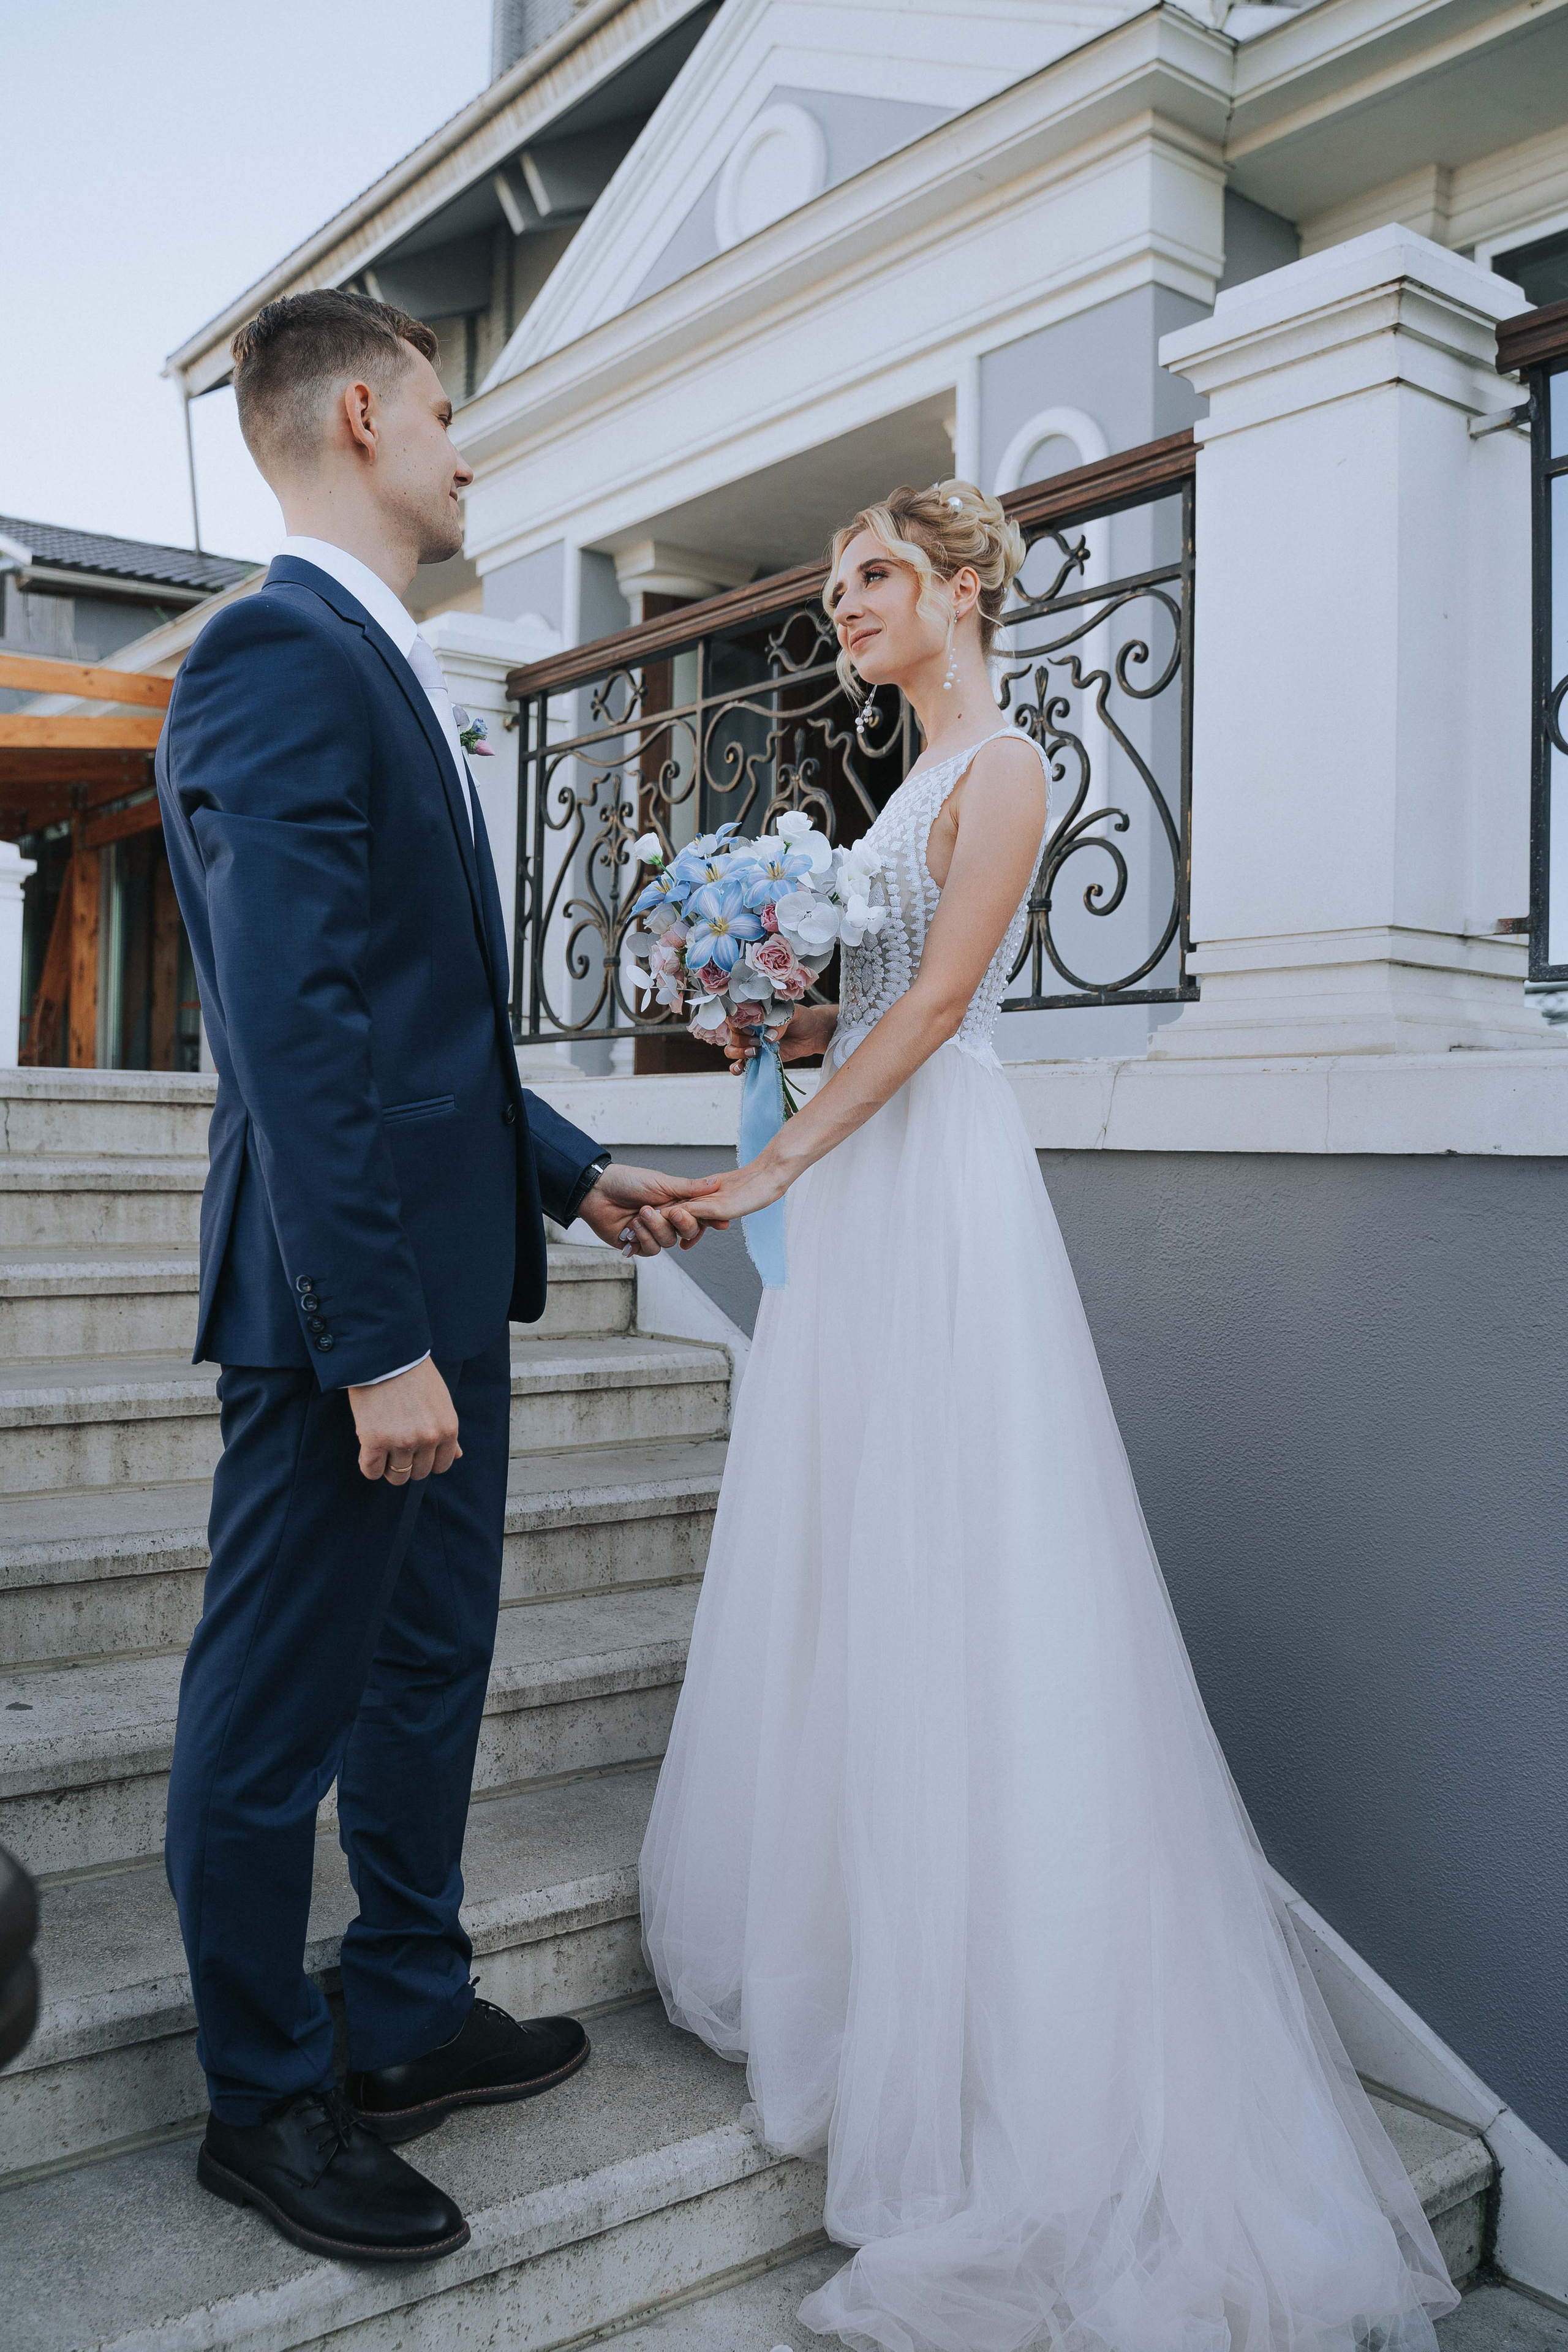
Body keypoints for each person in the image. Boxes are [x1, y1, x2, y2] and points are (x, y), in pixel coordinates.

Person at [637, 481, 1458, 2350]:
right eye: (837, 581)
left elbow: (929, 1014)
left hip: (932, 1195)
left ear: (958, 589)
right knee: (856, 1547)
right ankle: (861, 1944)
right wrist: (758, 1013)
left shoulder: (1002, 772)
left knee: (966, 1553)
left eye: (874, 578)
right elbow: (858, 1008)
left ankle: (1007, 2030)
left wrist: (774, 1174)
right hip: (860, 1185)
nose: (844, 602)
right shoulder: (887, 801)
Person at [157, 288, 720, 2266]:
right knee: (273, 1713)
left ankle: (401, 2016)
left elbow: (425, 1038)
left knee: (429, 1674)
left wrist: (573, 1178)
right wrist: (378, 1340)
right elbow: (296, 1036)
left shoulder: (382, 665)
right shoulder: (269, 659)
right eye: (456, 412)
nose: (473, 451)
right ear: (372, 413)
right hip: (352, 1319)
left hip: (452, 1283)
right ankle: (264, 2096)